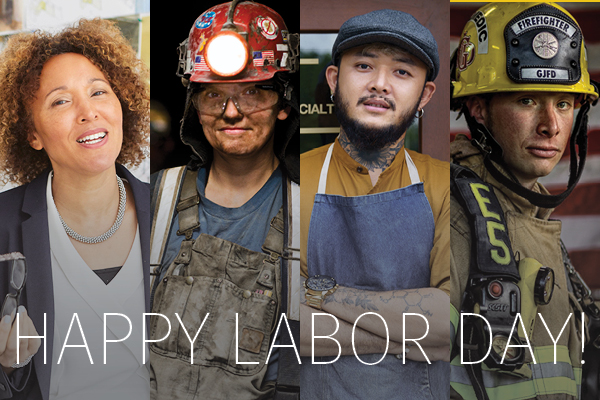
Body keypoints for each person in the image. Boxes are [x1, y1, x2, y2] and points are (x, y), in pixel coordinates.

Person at [148, 1, 300, 399]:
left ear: (283, 103)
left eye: (252, 93)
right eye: (214, 96)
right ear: (195, 109)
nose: (232, 112)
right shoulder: (151, 202)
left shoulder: (313, 210)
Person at [449, 3, 599, 399]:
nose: (551, 125)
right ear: (478, 108)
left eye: (563, 104)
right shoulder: (449, 219)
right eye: (528, 101)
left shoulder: (533, 215)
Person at [299, 9, 450, 399]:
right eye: (364, 65)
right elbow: (289, 326)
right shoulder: (292, 178)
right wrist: (409, 338)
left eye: (402, 72)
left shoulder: (447, 184)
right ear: (334, 79)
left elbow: (447, 324)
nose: (380, 84)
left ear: (425, 95)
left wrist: (321, 293)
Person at [0, 18, 150, 399]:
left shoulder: (171, 206)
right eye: (61, 101)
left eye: (99, 92)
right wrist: (8, 363)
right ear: (32, 134)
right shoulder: (3, 222)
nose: (88, 112)